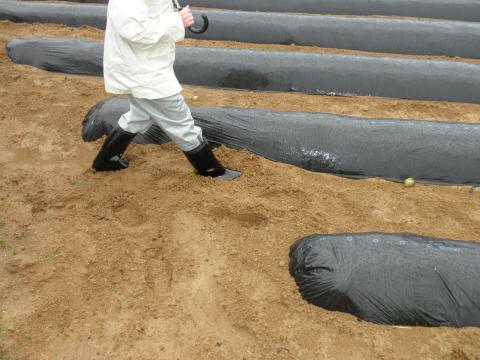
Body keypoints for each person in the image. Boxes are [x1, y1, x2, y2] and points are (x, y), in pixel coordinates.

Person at [92, 0, 240, 180]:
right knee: (180, 122)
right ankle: (211, 170)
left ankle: (107, 159)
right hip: (144, 71)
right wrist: (176, 20)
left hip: (146, 65)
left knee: (139, 115)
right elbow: (133, 29)